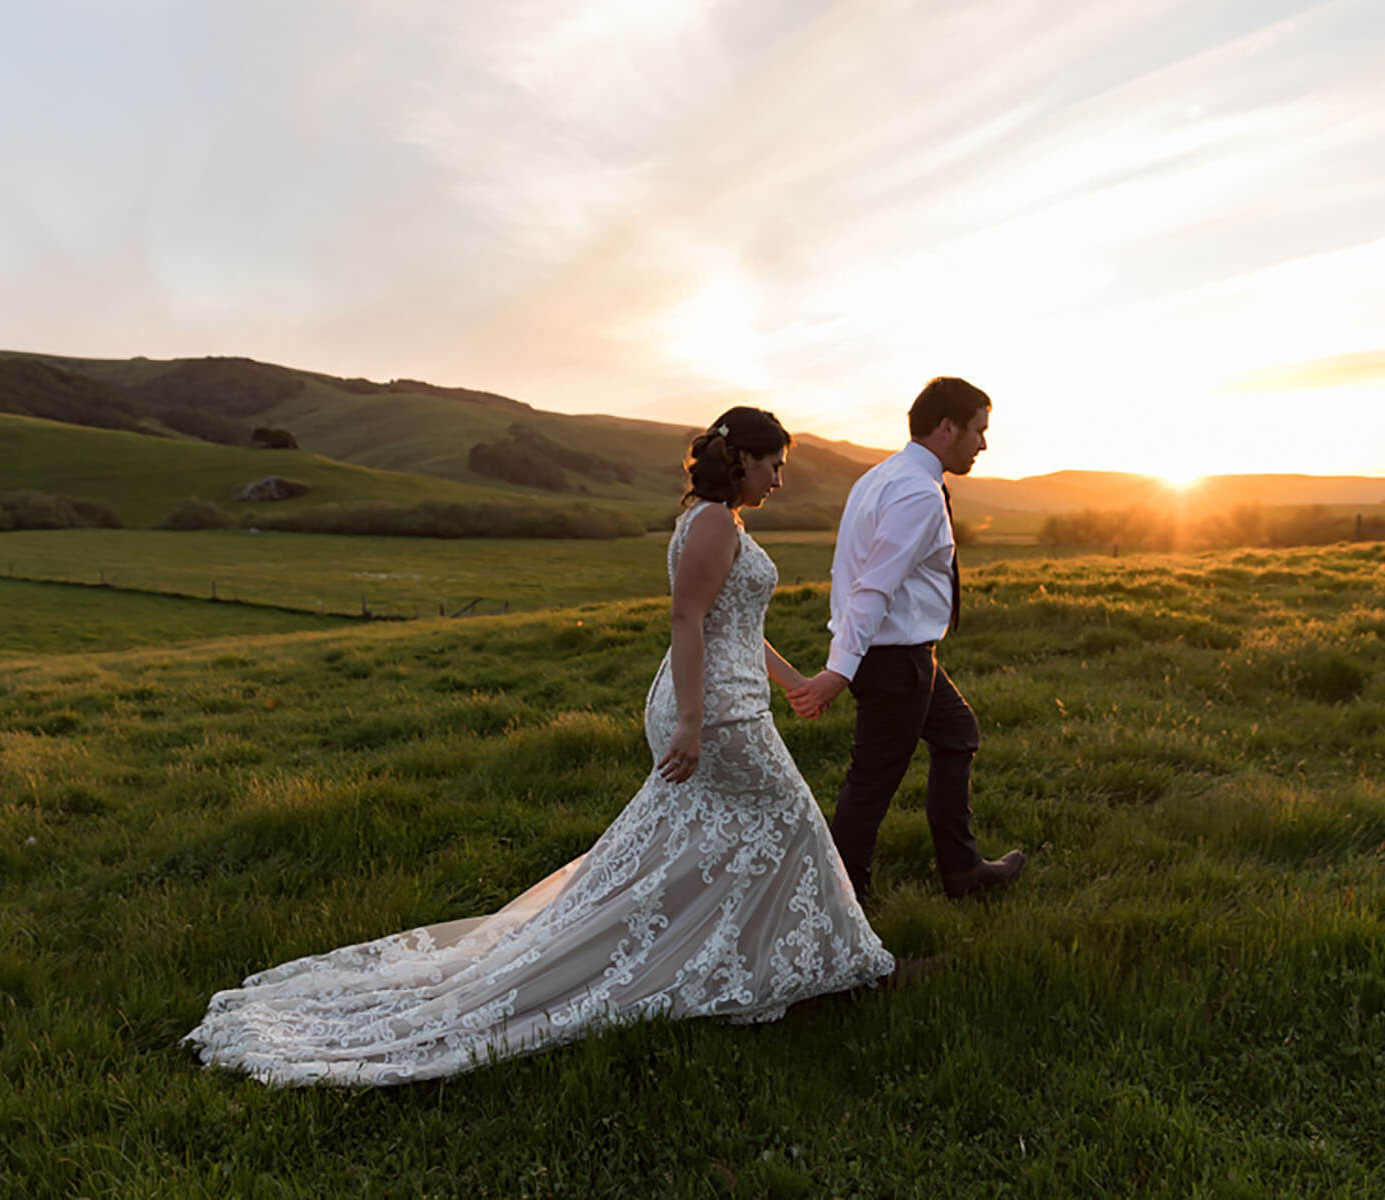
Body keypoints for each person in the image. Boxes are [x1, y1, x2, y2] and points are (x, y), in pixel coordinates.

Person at [184, 406, 895, 1087]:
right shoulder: (713, 524)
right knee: (791, 821)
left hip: (728, 696)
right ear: (739, 459)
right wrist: (689, 722)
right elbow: (686, 620)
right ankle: (822, 967)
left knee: (707, 839)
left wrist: (794, 677)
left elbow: (733, 620)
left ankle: (749, 960)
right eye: (772, 464)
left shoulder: (716, 520)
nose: (779, 479)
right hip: (716, 710)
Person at [787, 377, 1025, 901]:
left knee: (958, 732)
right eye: (978, 431)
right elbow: (873, 584)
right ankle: (843, 904)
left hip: (907, 656)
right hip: (893, 661)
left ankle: (962, 871)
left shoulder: (879, 478)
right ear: (947, 427)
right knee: (871, 784)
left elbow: (846, 570)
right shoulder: (917, 493)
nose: (983, 444)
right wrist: (839, 669)